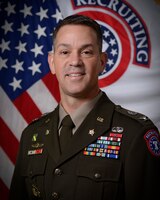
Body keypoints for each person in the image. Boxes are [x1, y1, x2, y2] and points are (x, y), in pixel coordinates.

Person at [9, 14, 160, 200]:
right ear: (51, 62)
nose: (75, 61)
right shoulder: (32, 134)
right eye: (65, 52)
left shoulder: (135, 134)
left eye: (86, 52)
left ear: (102, 62)